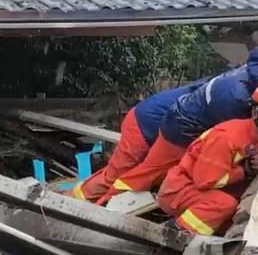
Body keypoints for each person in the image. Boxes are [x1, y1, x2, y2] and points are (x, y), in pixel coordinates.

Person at [99, 41, 258, 204]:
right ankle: (102, 209)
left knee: (154, 173)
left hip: (186, 117)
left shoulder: (255, 73)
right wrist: (245, 168)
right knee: (147, 174)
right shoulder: (238, 97)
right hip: (182, 127)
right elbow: (233, 138)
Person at [157, 78, 258, 235]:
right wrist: (245, 170)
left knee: (231, 212)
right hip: (179, 190)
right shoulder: (227, 138)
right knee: (225, 204)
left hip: (201, 192)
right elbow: (205, 181)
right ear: (256, 115)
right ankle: (178, 232)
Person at [69, 79, 205, 202]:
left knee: (133, 176)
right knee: (115, 176)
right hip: (144, 125)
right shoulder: (215, 95)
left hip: (153, 125)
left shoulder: (212, 88)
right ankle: (69, 202)